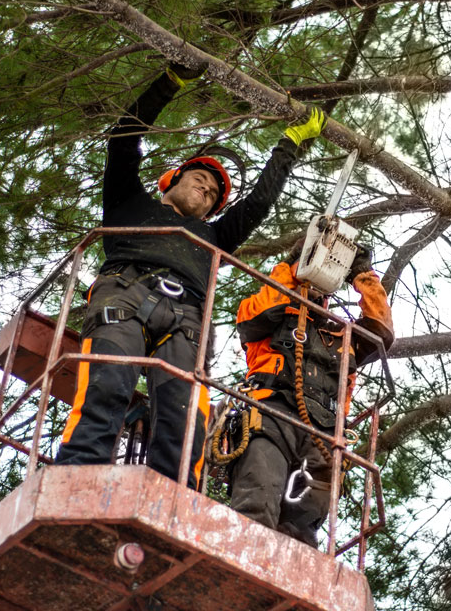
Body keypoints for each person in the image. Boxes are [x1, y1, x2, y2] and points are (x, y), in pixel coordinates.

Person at [55, 58, 326, 488]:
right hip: (124, 294)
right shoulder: (129, 203)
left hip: (185, 318)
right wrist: (169, 82)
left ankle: (174, 496)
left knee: (185, 416)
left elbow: (257, 204)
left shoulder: (214, 237)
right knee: (106, 386)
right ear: (171, 180)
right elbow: (124, 140)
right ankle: (73, 479)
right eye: (201, 178)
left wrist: (289, 144)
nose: (208, 188)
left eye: (215, 193)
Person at [226, 245, 395, 545]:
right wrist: (290, 264)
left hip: (325, 435)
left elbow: (381, 331)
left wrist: (362, 275)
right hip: (270, 415)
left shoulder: (343, 335)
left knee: (304, 530)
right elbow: (259, 314)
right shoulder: (272, 313)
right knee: (257, 501)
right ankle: (240, 567)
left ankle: (284, 587)